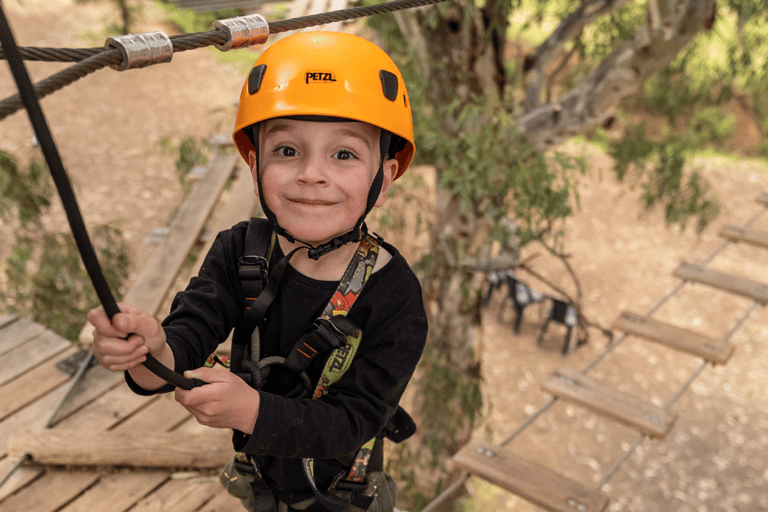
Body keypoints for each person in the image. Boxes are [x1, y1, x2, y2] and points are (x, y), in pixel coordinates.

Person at [87, 31, 428, 512]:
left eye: (344, 154)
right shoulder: (241, 252)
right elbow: (183, 344)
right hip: (259, 478)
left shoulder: (394, 296)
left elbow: (356, 419)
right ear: (254, 165)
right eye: (287, 151)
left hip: (339, 491)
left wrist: (253, 410)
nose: (312, 173)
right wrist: (149, 351)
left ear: (384, 178)